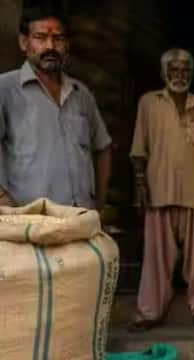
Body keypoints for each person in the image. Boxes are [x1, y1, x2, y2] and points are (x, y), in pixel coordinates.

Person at [129, 48, 194, 331]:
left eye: (185, 70)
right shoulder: (148, 103)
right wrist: (140, 188)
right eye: (174, 70)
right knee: (156, 258)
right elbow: (138, 150)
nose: (179, 75)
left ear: (192, 75)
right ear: (164, 73)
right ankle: (150, 312)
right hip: (160, 189)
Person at [0, 7, 112, 210]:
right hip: (28, 221)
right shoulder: (5, 89)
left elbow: (102, 148)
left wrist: (99, 204)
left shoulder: (81, 93)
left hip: (80, 219)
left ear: (67, 45)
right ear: (24, 42)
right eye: (41, 38)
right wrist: (3, 198)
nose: (50, 46)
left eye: (58, 38)